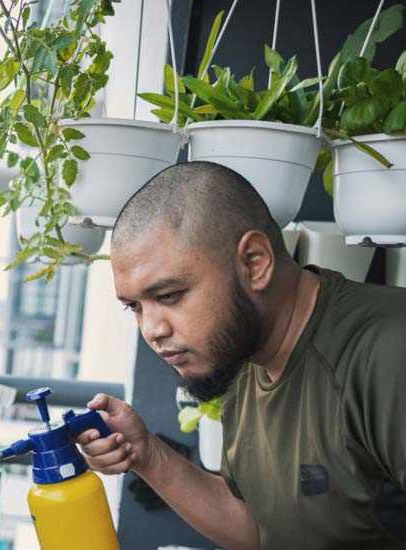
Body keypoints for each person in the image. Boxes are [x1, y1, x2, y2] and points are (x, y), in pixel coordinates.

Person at [76, 161, 406, 549]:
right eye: (134, 306)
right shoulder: (243, 360)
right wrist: (147, 455)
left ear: (255, 263)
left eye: (168, 296)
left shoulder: (387, 350)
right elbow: (262, 529)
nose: (152, 330)